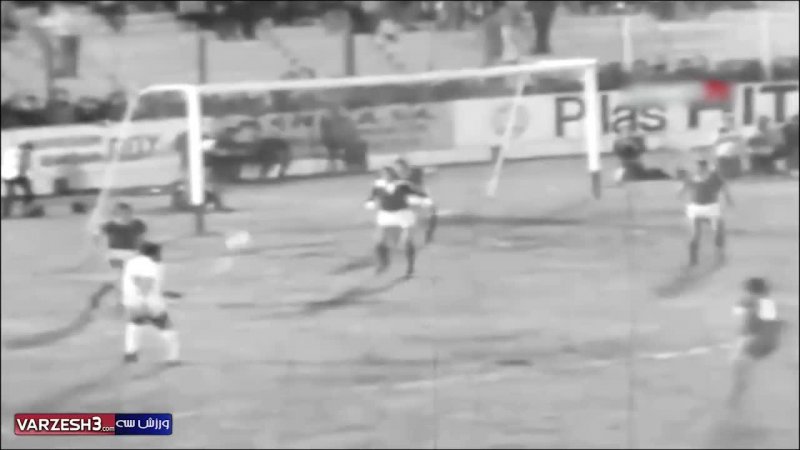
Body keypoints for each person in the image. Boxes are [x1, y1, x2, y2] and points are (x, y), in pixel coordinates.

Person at [365, 167, 434, 278]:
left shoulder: (402, 185)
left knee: (407, 241)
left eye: (388, 174)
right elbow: (371, 198)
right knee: (379, 242)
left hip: (403, 215)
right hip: (386, 215)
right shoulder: (378, 185)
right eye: (384, 175)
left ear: (393, 175)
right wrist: (370, 203)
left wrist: (426, 201)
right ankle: (384, 263)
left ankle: (410, 267)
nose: (386, 177)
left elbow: (419, 193)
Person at [121, 241, 180, 364]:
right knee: (166, 327)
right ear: (153, 253)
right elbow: (145, 284)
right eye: (159, 253)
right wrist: (144, 302)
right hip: (149, 303)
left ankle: (130, 352)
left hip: (130, 301)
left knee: (135, 323)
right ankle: (172, 357)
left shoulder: (131, 262)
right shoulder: (151, 265)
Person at [728, 277, 782, 409]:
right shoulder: (752, 302)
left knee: (739, 365)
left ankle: (738, 396)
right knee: (737, 365)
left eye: (748, 290)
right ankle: (738, 393)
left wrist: (757, 342)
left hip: (755, 341)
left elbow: (769, 327)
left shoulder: (765, 304)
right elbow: (737, 313)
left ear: (753, 290)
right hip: (751, 340)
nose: (746, 293)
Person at [90, 202, 148, 309]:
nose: (126, 216)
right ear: (116, 214)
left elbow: (141, 238)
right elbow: (96, 234)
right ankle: (119, 300)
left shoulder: (138, 225)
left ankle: (103, 296)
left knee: (126, 278)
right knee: (120, 277)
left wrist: (141, 251)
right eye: (122, 213)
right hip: (115, 254)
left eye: (128, 213)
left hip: (132, 254)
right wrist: (101, 250)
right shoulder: (111, 225)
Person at [678, 159, 734, 266]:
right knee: (717, 230)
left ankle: (694, 259)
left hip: (697, 208)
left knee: (697, 234)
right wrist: (729, 199)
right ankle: (718, 254)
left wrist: (681, 193)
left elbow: (682, 189)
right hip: (707, 208)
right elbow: (724, 187)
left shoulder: (693, 177)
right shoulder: (713, 176)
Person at [394, 157, 438, 244]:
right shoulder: (395, 176)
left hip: (422, 194)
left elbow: (428, 171)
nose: (398, 170)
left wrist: (432, 170)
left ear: (405, 165)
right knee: (413, 218)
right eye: (397, 168)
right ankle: (406, 235)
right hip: (409, 198)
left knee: (433, 212)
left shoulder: (415, 171)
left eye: (400, 167)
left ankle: (429, 232)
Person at [2, 141, 40, 219]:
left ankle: (27, 210)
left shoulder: (26, 154)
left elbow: (26, 165)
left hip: (21, 175)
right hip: (9, 175)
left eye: (29, 150)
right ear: (23, 147)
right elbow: (17, 164)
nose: (29, 151)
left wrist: (27, 176)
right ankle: (5, 213)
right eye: (28, 149)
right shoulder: (12, 152)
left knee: (29, 192)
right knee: (10, 194)